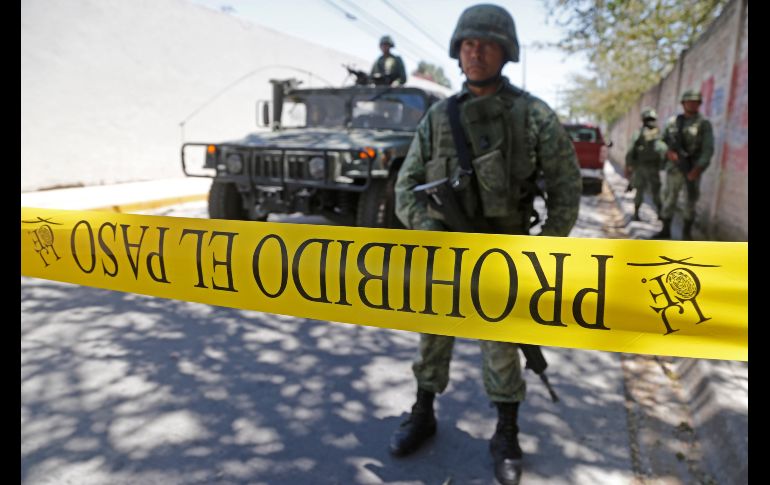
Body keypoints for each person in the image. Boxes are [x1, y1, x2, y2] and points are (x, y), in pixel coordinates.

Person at [392, 5, 582, 485]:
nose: (476, 52)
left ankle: (506, 431)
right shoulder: (439, 116)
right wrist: (427, 230)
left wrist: (545, 248)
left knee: (501, 344)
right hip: (445, 253)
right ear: (457, 52)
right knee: (432, 337)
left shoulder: (533, 114)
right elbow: (406, 185)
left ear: (506, 52)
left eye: (487, 44)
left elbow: (566, 186)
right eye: (468, 44)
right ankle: (423, 411)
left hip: (503, 251)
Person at [653, 89, 714, 240]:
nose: (692, 105)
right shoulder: (672, 122)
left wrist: (698, 168)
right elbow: (659, 142)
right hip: (674, 168)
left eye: (695, 102)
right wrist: (668, 152)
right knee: (669, 198)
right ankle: (665, 230)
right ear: (683, 103)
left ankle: (686, 234)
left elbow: (708, 148)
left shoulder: (703, 124)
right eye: (689, 102)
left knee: (690, 201)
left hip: (692, 167)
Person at [625, 107, 666, 221]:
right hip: (653, 168)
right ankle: (660, 213)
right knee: (655, 191)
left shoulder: (639, 133)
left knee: (640, 190)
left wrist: (629, 166)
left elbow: (631, 150)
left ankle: (636, 213)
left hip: (641, 167)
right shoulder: (658, 133)